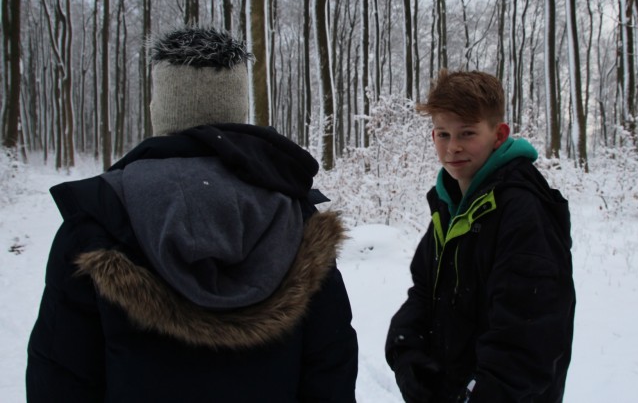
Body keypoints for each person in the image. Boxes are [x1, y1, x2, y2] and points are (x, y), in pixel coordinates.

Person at [26, 27, 358, 402]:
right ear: (239, 112)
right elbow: (330, 367)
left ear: (158, 109)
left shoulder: (97, 222)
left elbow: (60, 377)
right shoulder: (297, 220)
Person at [385, 69, 575, 403]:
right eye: (443, 134)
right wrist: (406, 349)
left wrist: (479, 394)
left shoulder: (522, 211)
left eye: (467, 133)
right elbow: (425, 292)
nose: (453, 147)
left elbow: (530, 334)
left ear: (499, 135)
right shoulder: (450, 205)